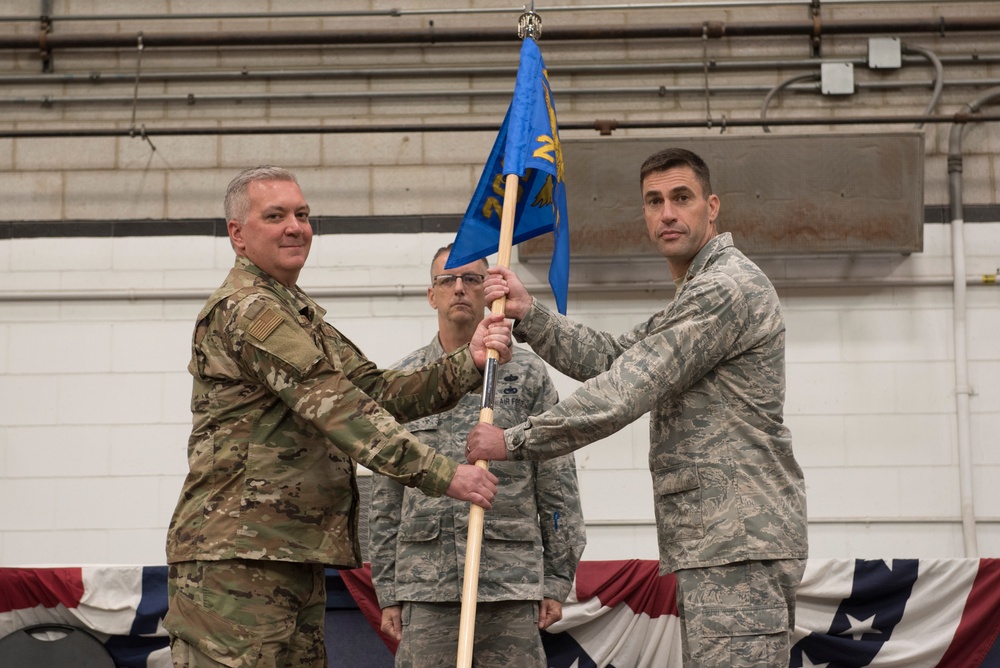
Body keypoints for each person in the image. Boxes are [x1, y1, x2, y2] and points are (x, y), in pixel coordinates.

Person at [466, 148, 808, 667]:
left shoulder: (725, 289)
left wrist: (514, 440)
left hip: (739, 545)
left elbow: (627, 387)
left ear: (711, 207)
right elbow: (615, 357)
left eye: (681, 198)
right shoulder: (695, 292)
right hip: (722, 543)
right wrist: (529, 313)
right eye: (654, 201)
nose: (667, 213)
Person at [164, 165, 513, 668]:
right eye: (276, 215)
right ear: (238, 235)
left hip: (290, 553)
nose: (295, 226)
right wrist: (443, 474)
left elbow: (376, 390)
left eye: (302, 215)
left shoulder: (299, 315)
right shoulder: (248, 311)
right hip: (235, 560)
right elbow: (337, 408)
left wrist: (469, 361)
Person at [368, 245, 587, 668]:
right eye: (446, 280)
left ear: (489, 292)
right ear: (431, 295)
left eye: (471, 279)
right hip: (428, 588)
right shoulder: (403, 382)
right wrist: (389, 589)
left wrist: (557, 578)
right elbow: (385, 496)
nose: (459, 289)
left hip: (509, 582)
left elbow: (557, 481)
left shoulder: (527, 376)